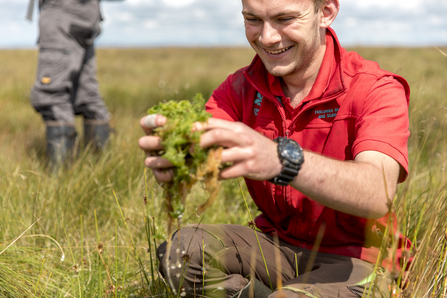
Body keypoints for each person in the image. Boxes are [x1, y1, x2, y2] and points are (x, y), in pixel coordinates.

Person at [139, 0, 412, 297]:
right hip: (275, 245)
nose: (267, 37)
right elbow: (204, 148)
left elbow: (378, 194)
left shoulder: (375, 89)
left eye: (285, 18)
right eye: (253, 19)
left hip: (360, 258)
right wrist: (177, 156)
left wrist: (282, 161)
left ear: (327, 12)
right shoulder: (239, 88)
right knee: (180, 253)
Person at [29, 0, 110, 166]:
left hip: (62, 10)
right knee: (87, 94)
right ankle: (102, 169)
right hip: (88, 12)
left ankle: (60, 178)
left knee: (50, 95)